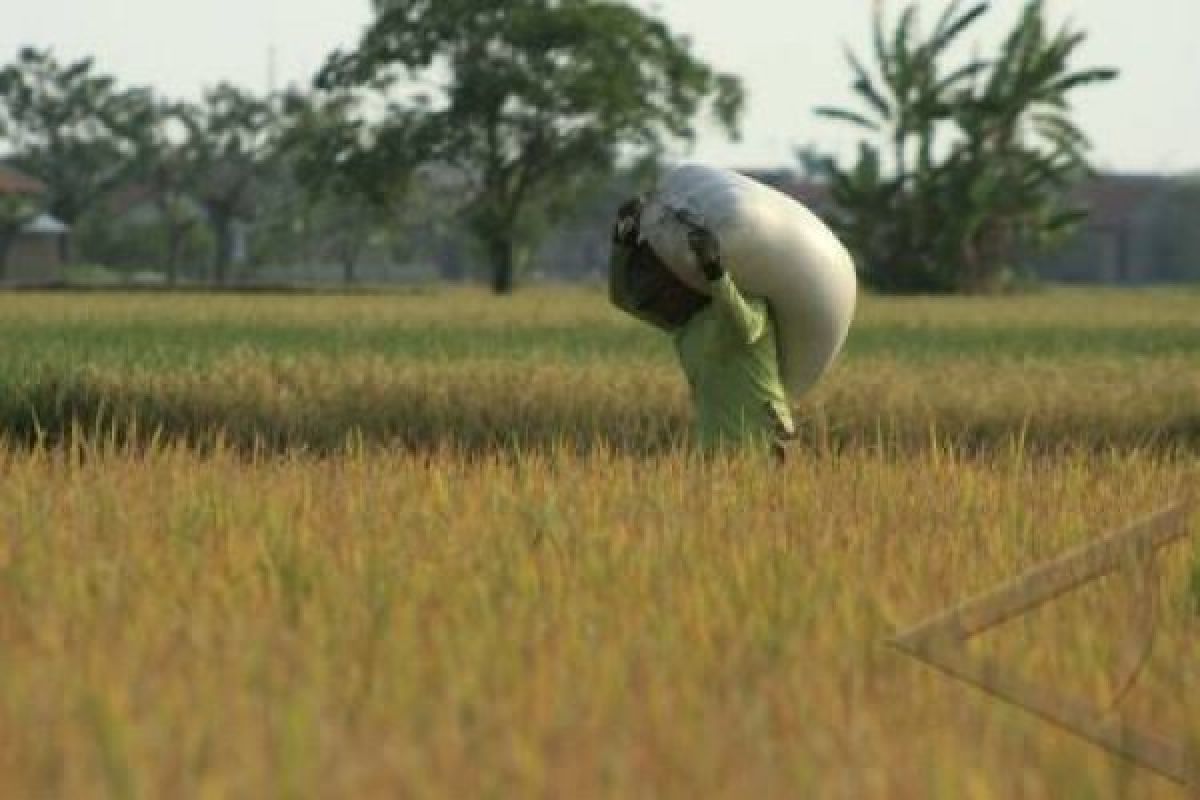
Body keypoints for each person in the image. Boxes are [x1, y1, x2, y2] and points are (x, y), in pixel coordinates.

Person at [608, 195, 797, 460]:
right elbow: (623, 299)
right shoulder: (684, 325)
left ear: (686, 282)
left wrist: (715, 270)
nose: (663, 300)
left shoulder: (753, 304)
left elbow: (743, 327)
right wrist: (622, 243)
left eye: (667, 291)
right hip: (714, 453)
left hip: (765, 446)